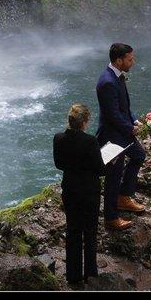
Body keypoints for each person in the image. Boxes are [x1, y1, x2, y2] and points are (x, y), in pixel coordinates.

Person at [53, 104, 107, 285]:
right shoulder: (90, 141)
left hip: (69, 189)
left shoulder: (58, 138)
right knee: (90, 231)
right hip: (89, 191)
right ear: (84, 122)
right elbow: (100, 169)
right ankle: (90, 274)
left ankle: (73, 275)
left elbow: (59, 164)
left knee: (73, 229)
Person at [96, 43, 146, 231]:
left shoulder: (116, 77)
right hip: (112, 137)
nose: (133, 62)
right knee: (113, 176)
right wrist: (130, 129)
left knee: (139, 156)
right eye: (130, 59)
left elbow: (123, 107)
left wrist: (134, 121)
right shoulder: (107, 82)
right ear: (119, 60)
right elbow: (112, 115)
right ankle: (111, 217)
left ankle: (124, 197)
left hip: (122, 132)